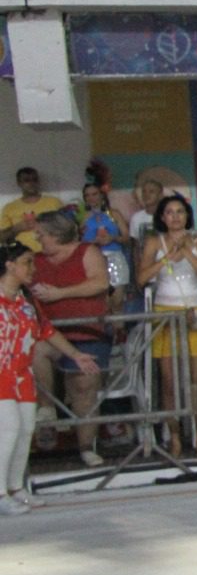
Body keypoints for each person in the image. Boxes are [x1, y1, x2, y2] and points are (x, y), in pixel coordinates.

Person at [0, 241, 100, 514]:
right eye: (27, 262)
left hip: (22, 374)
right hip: (1, 375)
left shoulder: (26, 300)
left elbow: (46, 331)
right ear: (10, 265)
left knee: (25, 431)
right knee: (7, 431)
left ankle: (16, 488)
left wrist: (76, 354)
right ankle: (0, 494)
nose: (33, 268)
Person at [135, 194, 197, 459]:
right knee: (168, 382)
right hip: (164, 313)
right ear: (162, 217)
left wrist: (187, 251)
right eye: (169, 212)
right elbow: (142, 278)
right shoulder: (152, 242)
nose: (175, 217)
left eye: (180, 211)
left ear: (187, 215)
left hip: (194, 310)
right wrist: (168, 256)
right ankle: (175, 438)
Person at [31, 210, 110, 466]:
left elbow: (99, 283)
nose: (37, 238)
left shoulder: (87, 252)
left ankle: (87, 446)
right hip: (51, 334)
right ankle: (46, 408)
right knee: (37, 350)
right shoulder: (36, 260)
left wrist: (60, 294)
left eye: (41, 234)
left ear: (55, 234)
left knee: (83, 387)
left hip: (87, 332)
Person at [78, 182, 130, 312]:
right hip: (93, 261)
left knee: (117, 300)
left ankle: (119, 330)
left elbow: (127, 238)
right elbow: (77, 243)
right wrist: (92, 242)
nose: (91, 198)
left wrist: (113, 238)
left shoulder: (114, 214)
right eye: (87, 195)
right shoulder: (83, 218)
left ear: (102, 195)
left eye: (94, 194)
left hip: (115, 258)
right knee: (101, 303)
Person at [1, 168, 64, 252]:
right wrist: (16, 228)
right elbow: (1, 238)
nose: (32, 183)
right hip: (23, 257)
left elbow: (68, 229)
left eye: (35, 180)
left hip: (53, 253)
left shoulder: (54, 202)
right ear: (19, 183)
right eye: (26, 180)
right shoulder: (9, 208)